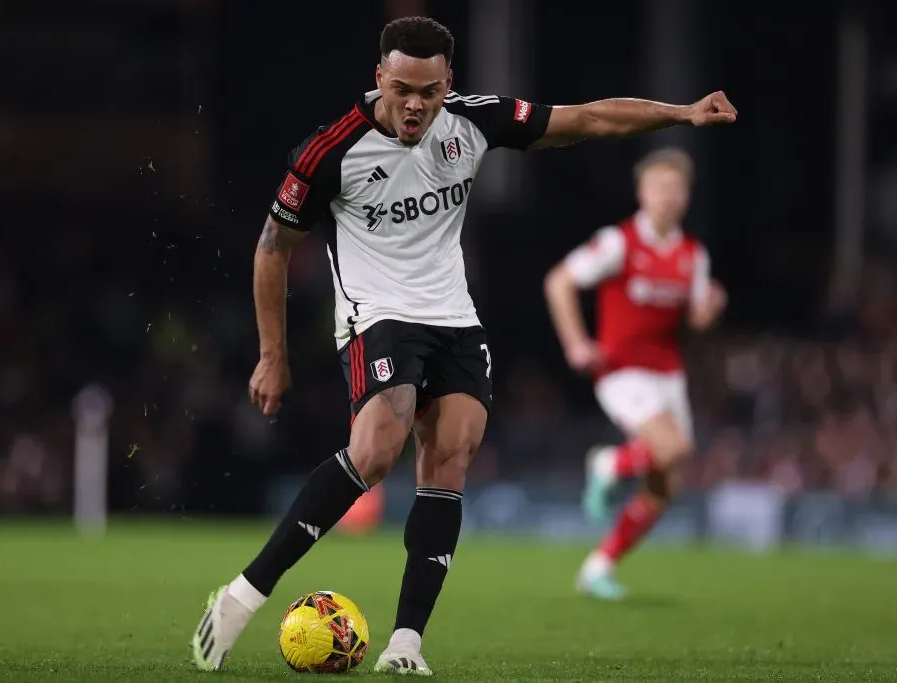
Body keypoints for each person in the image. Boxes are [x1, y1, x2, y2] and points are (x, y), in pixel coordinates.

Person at [193, 17, 736, 675]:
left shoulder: (475, 121)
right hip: (377, 315)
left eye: (429, 90)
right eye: (402, 89)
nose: (416, 104)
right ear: (380, 80)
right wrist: (273, 352)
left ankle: (405, 644)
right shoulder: (330, 151)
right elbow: (273, 248)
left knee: (449, 458)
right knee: (376, 450)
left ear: (449, 83)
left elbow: (590, 120)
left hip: (454, 318)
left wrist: (682, 113)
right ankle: (243, 596)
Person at [542, 147, 727, 600]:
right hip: (622, 370)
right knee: (675, 447)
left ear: (686, 197)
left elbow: (696, 321)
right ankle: (609, 462)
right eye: (659, 187)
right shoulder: (619, 242)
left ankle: (598, 567)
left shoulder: (692, 255)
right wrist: (576, 344)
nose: (668, 196)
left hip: (668, 373)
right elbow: (559, 282)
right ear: (642, 192)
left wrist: (711, 310)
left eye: (676, 189)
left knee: (665, 485)